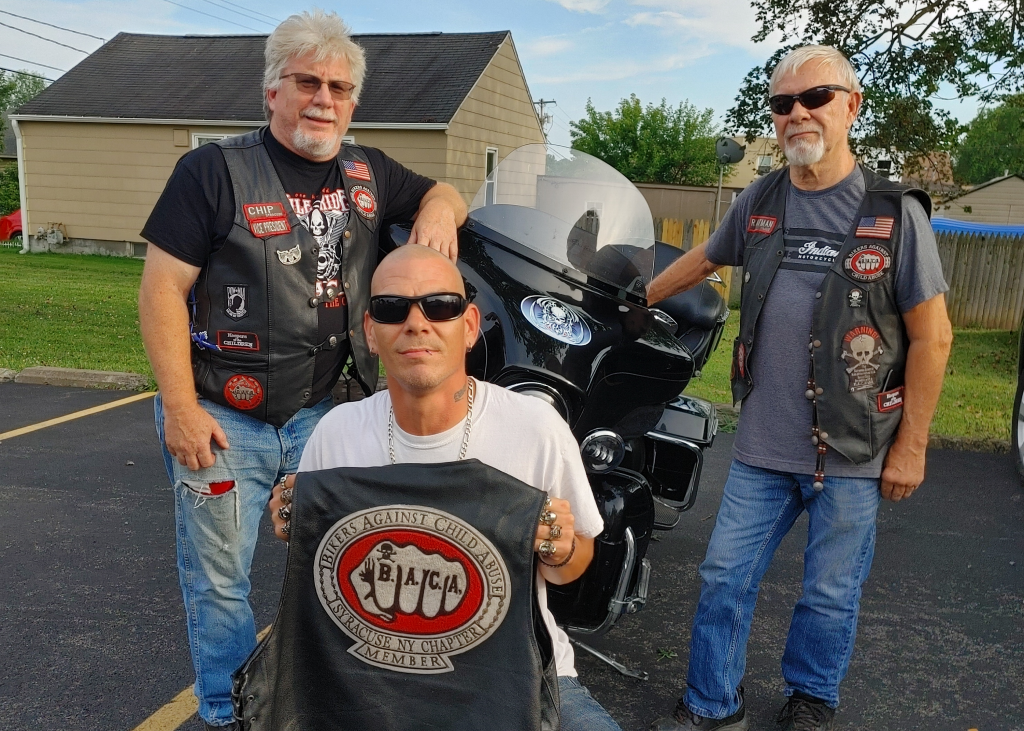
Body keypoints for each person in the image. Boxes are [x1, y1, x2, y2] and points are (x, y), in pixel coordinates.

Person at [137, 10, 467, 729]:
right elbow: (160, 290)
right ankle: (227, 712)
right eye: (307, 82)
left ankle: (319, 703)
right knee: (220, 583)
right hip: (223, 415)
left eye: (339, 88)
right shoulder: (212, 171)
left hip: (328, 414)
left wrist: (440, 210)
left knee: (341, 569)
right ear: (272, 91)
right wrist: (181, 408)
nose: (324, 99)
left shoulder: (370, 170)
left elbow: (443, 191)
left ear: (353, 102)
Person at [646, 46, 953, 731]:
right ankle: (712, 704)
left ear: (852, 105)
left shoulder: (895, 213)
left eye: (815, 97)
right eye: (783, 104)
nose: (797, 114)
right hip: (763, 442)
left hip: (854, 448)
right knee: (723, 576)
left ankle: (812, 700)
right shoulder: (760, 199)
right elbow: (706, 258)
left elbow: (934, 338)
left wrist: (912, 446)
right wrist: (639, 300)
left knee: (830, 593)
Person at [268, 244, 624, 731]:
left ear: (470, 326)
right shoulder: (338, 434)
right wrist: (293, 520)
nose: (417, 323)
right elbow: (317, 575)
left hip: (519, 676)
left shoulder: (535, 428)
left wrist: (559, 550)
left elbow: (575, 563)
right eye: (392, 309)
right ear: (370, 332)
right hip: (369, 683)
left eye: (439, 306)